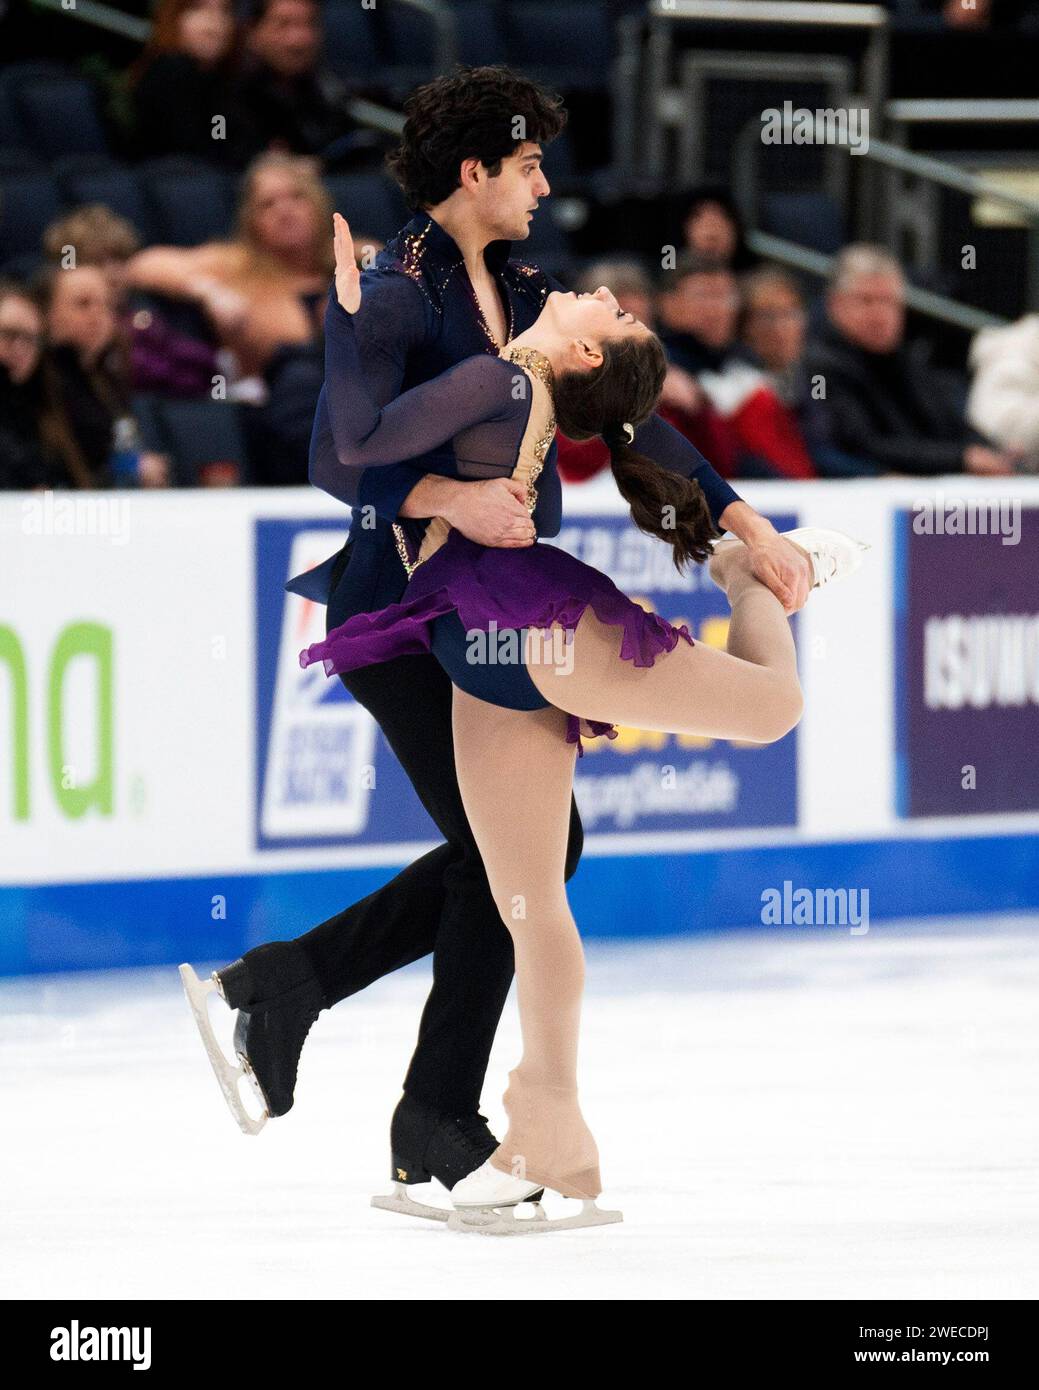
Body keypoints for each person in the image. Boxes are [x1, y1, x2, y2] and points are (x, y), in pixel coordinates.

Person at [182, 67, 812, 1210]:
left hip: (488, 603)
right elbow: (338, 458)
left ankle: (320, 1016)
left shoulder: (521, 283)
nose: (544, 185)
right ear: (474, 171)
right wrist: (442, 500)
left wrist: (739, 514)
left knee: (522, 857)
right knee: (515, 860)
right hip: (396, 611)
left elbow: (629, 413)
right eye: (528, 165)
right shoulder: (399, 285)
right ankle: (405, 1093)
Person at [295, 213, 867, 1225]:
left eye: (612, 307)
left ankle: (755, 581)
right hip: (491, 630)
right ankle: (540, 1126)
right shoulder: (515, 372)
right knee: (531, 889)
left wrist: (348, 329)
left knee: (556, 868)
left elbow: (358, 442)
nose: (603, 290)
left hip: (506, 630)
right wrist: (356, 326)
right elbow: (361, 455)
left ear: (587, 349)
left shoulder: (509, 378)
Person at [803, 244, 1015, 477]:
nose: (879, 315)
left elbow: (947, 423)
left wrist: (990, 450)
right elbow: (861, 444)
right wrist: (960, 458)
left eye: (889, 301)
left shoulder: (907, 359)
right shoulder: (820, 369)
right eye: (866, 300)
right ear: (835, 305)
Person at [659, 255, 818, 480]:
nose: (718, 309)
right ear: (669, 304)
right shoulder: (657, 374)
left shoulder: (747, 369)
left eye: (726, 297)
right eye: (704, 296)